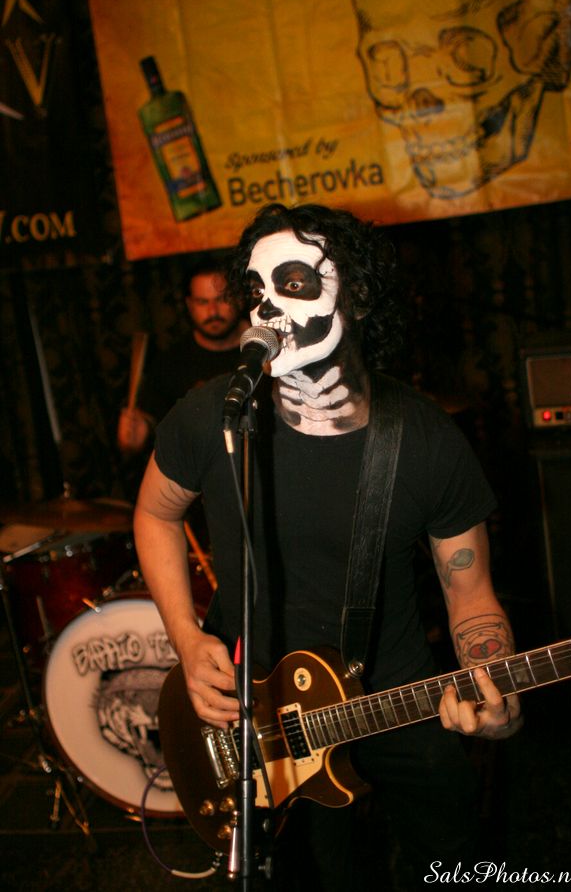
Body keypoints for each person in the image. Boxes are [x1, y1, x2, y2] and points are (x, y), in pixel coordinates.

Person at [133, 203, 522, 889]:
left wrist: (497, 687)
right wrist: (188, 641)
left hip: (394, 693)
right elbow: (155, 514)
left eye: (293, 283)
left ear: (359, 296)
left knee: (459, 861)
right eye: (255, 290)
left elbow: (469, 592)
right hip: (258, 707)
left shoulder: (425, 440)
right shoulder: (213, 417)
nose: (266, 309)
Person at [117, 255, 250, 454]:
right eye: (202, 302)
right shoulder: (171, 363)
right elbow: (156, 426)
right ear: (189, 304)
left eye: (221, 299)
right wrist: (139, 435)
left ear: (239, 298)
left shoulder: (265, 349)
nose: (212, 311)